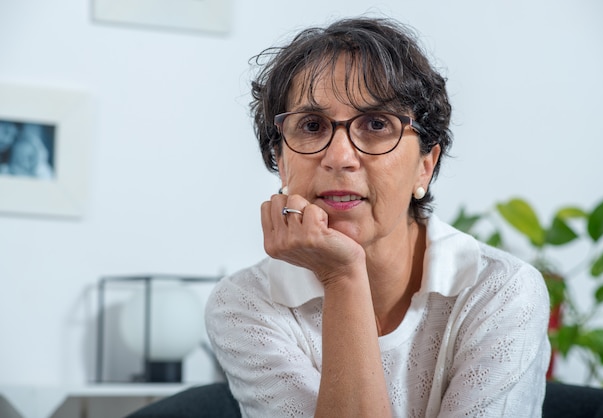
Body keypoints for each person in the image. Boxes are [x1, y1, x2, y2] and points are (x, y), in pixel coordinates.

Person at [205, 16, 550, 418]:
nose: (339, 157)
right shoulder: (246, 304)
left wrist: (341, 274)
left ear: (425, 165)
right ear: (280, 162)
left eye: (376, 124)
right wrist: (344, 276)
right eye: (312, 125)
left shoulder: (501, 291)